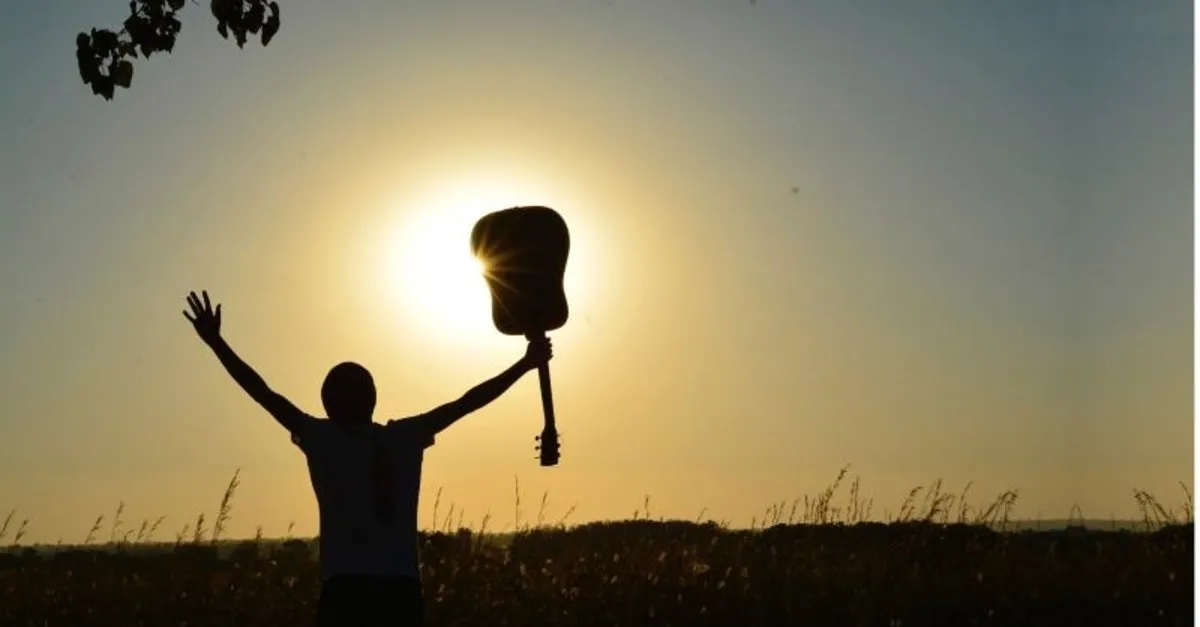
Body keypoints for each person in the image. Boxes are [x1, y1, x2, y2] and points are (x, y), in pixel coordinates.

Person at [182, 290, 553, 627]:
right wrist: (523, 365)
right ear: (373, 398)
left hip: (346, 593)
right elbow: (468, 402)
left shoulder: (321, 438)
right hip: (400, 594)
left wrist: (217, 343)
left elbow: (262, 392)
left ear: (328, 404)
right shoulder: (404, 437)